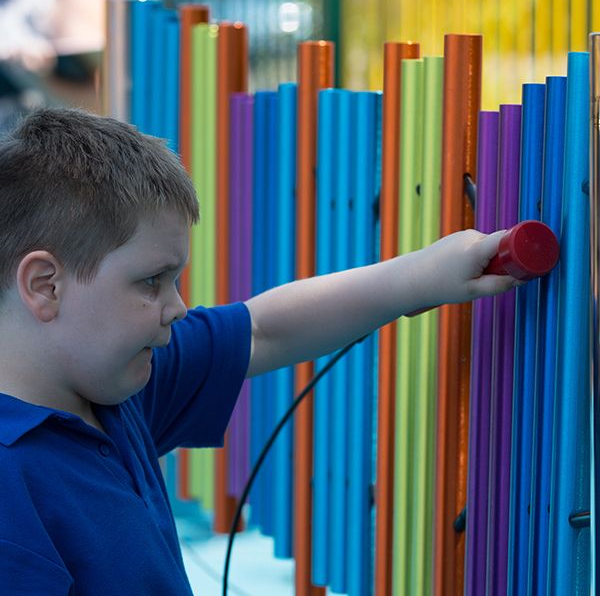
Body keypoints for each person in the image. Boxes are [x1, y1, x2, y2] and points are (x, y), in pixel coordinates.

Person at [0, 107, 519, 595]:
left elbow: (262, 330)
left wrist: (421, 278)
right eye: (151, 281)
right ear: (45, 285)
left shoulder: (114, 383)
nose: (177, 307)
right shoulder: (13, 493)